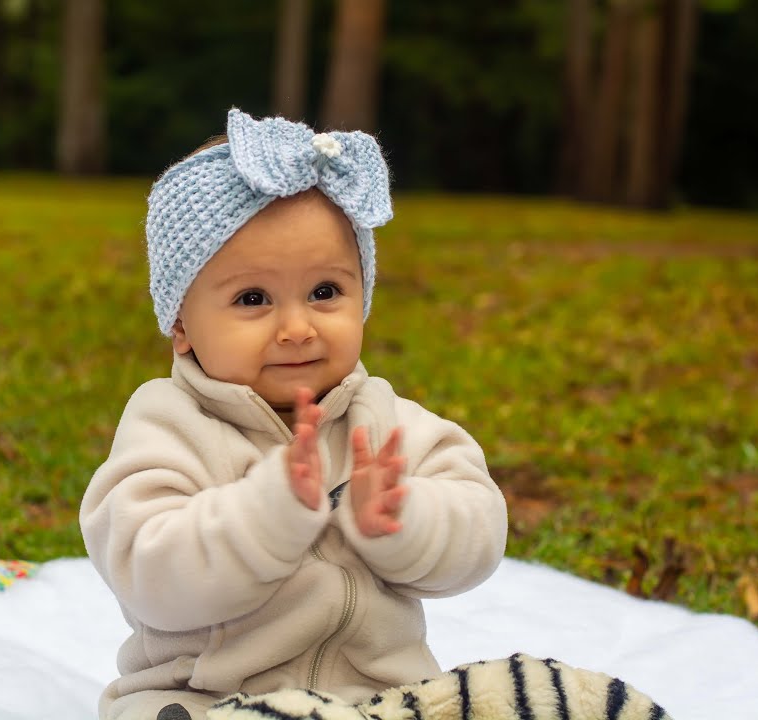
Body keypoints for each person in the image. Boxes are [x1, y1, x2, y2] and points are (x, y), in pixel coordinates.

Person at [78, 108, 509, 720]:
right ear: (180, 325)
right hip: (205, 700)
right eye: (253, 299)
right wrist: (264, 516)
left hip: (379, 700)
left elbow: (480, 525)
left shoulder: (382, 418)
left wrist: (406, 519)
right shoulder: (168, 424)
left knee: (519, 695)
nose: (298, 328)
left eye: (326, 292)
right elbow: (146, 570)